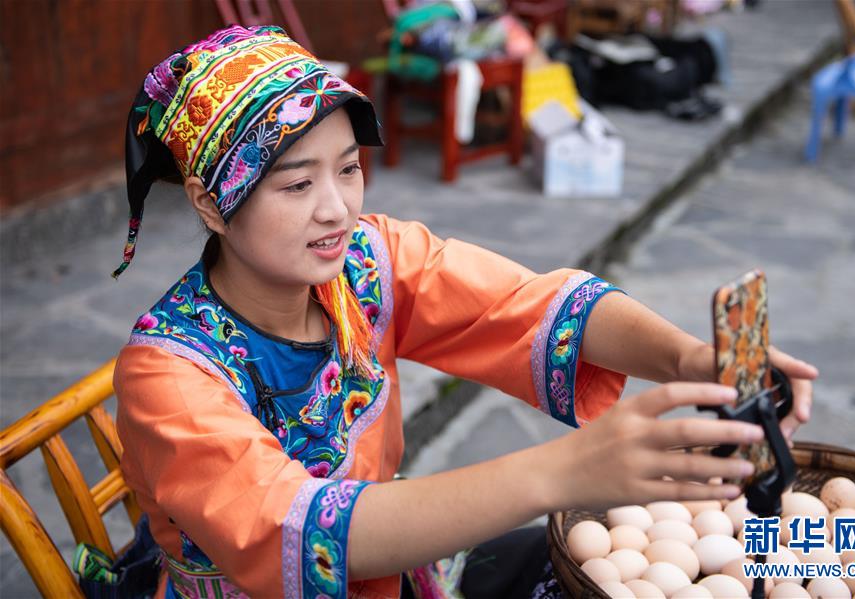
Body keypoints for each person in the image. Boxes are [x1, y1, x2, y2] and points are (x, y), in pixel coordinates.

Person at [112, 25, 817, 599]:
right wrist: (566, 471)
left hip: (395, 569)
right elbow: (308, 534)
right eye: (297, 183)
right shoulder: (167, 378)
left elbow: (532, 305)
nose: (337, 209)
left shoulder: (365, 264)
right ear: (211, 203)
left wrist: (692, 359)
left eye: (349, 167)